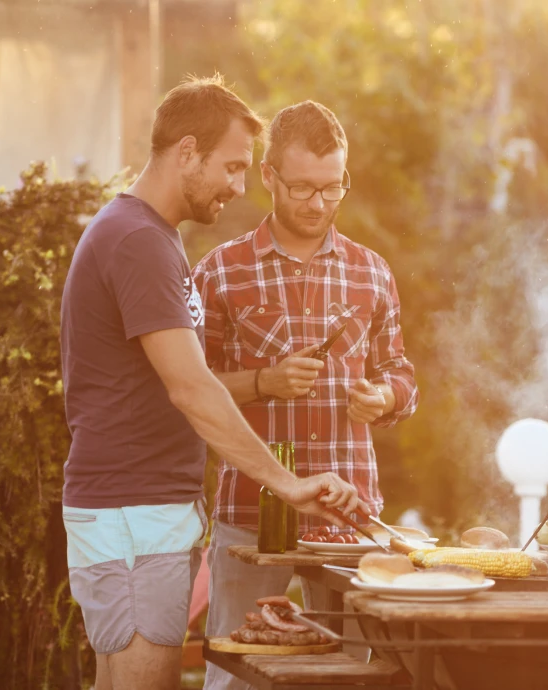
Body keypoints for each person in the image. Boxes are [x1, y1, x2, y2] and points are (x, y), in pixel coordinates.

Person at [59, 78, 370, 690]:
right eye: (230, 167)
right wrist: (286, 482)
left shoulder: (151, 236)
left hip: (138, 510)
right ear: (187, 151)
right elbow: (191, 387)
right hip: (133, 513)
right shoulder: (139, 240)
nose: (236, 185)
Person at [193, 100, 419, 690]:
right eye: (302, 189)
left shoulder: (372, 272)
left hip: (348, 519)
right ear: (268, 177)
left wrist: (386, 398)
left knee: (348, 676)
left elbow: (402, 372)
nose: (318, 204)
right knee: (237, 674)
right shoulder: (220, 271)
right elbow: (189, 388)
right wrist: (263, 382)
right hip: (250, 511)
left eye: (332, 188)